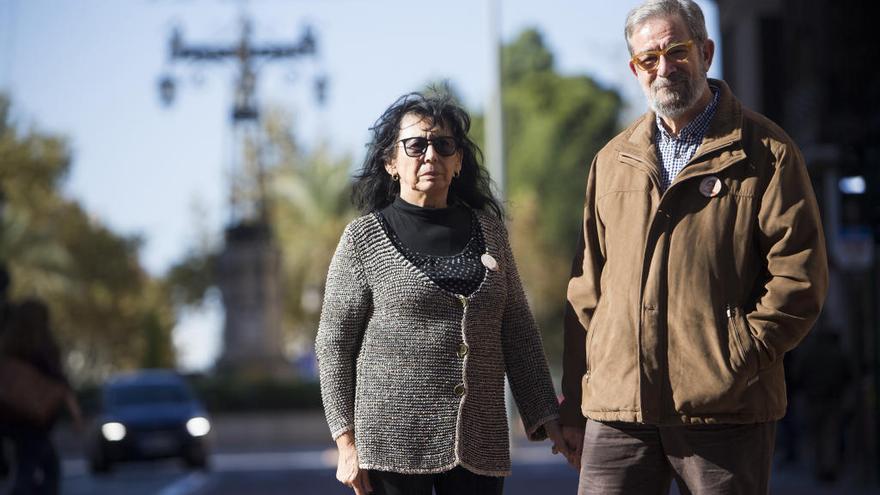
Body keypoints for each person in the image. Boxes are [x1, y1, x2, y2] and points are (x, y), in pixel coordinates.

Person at [558, 1, 829, 493]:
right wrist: (577, 403)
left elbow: (800, 277)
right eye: (649, 58)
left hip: (724, 408)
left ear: (705, 52)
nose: (664, 68)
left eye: (676, 51)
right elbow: (586, 290)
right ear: (634, 68)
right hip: (619, 408)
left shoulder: (767, 152)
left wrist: (737, 356)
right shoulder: (611, 162)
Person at [316, 91, 568, 495]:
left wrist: (548, 419)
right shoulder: (362, 239)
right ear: (391, 162)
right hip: (391, 443)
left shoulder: (491, 233)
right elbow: (333, 345)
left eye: (444, 145)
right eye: (415, 145)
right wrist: (346, 441)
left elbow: (518, 331)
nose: (430, 155)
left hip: (480, 440)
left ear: (458, 160)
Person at [0, 298, 82, 495]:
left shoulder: (9, 348)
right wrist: (75, 414)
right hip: (36, 421)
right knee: (42, 471)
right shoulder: (44, 349)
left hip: (12, 418)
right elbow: (61, 384)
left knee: (31, 467)